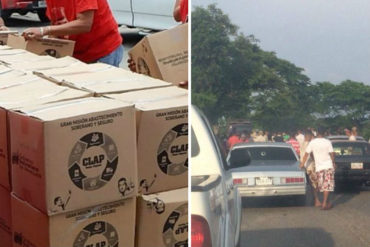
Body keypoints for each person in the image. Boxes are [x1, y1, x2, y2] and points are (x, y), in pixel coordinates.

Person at [22, 0, 123, 67]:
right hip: (78, 54)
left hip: (103, 51)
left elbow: (85, 24)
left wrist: (43, 31)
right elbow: (56, 26)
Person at [300, 128, 336, 210]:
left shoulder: (312, 142)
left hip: (319, 167)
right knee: (327, 185)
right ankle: (325, 203)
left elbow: (306, 154)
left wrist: (302, 164)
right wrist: (333, 162)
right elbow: (332, 154)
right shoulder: (327, 142)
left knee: (322, 185)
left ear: (316, 133)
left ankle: (325, 202)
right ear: (325, 133)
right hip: (328, 165)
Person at [300, 131, 320, 207]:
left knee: (312, 184)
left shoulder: (304, 143)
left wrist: (301, 164)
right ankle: (316, 200)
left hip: (306, 166)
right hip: (311, 166)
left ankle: (315, 199)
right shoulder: (310, 144)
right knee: (314, 184)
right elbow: (310, 155)